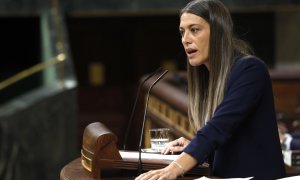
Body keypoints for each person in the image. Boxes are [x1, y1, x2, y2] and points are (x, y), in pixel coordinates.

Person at [136, 0, 286, 179]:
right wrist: (194, 147)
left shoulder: (251, 70)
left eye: (194, 30)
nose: (186, 39)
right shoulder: (207, 77)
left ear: (218, 32)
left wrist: (175, 168)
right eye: (182, 32)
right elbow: (230, 143)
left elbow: (219, 128)